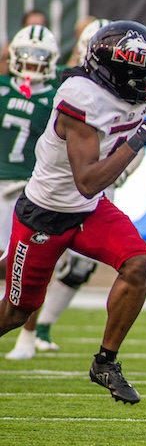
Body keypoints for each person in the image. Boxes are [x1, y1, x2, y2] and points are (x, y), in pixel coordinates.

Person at [0, 20, 146, 404]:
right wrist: (140, 138)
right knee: (16, 312)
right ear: (117, 73)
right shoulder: (79, 97)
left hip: (90, 211)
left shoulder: (126, 93)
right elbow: (88, 180)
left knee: (138, 264)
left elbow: (96, 188)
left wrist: (134, 146)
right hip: (46, 213)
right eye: (141, 77)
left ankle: (105, 362)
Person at [0, 25, 61, 360]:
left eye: (41, 58)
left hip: (31, 187)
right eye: (28, 57)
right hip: (0, 180)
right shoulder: (2, 88)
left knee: (28, 264)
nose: (34, 64)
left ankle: (27, 335)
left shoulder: (57, 96)